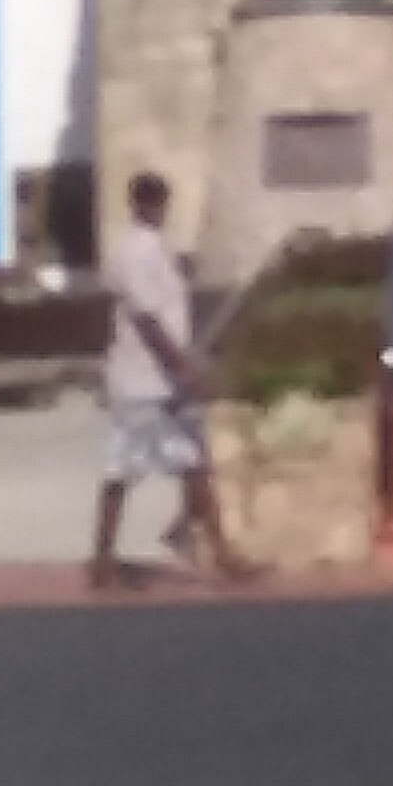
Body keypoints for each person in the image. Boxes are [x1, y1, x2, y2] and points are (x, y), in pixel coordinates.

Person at [89, 172, 250, 593]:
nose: (157, 209)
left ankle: (222, 552)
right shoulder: (135, 253)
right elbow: (147, 321)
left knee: (193, 463)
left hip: (165, 383)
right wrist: (184, 369)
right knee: (122, 469)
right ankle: (102, 560)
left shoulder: (157, 249)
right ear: (140, 204)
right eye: (153, 202)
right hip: (142, 381)